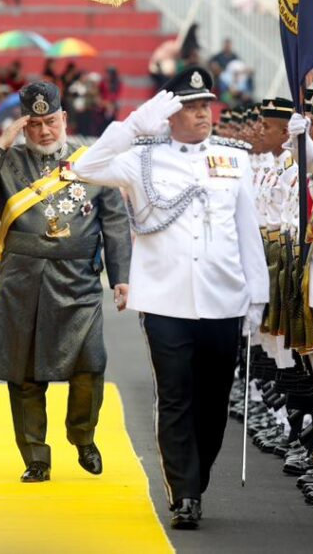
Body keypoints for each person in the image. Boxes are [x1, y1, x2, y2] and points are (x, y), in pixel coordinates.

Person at [73, 67, 269, 530]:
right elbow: (83, 167)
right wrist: (134, 124)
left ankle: (193, 480)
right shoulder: (142, 157)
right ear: (170, 114)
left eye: (207, 105)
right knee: (175, 396)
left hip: (223, 298)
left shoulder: (233, 159)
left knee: (214, 401)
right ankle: (184, 493)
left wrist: (258, 297)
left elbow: (248, 233)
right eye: (192, 106)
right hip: (165, 302)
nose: (204, 114)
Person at [0, 81, 131, 483]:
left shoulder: (91, 162)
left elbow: (115, 223)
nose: (44, 131)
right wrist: (2, 142)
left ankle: (83, 435)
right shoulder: (10, 160)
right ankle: (36, 456)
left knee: (91, 365)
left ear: (64, 119)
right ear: (23, 125)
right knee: (24, 375)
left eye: (50, 121)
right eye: (33, 124)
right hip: (23, 280)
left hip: (79, 281)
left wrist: (121, 277)